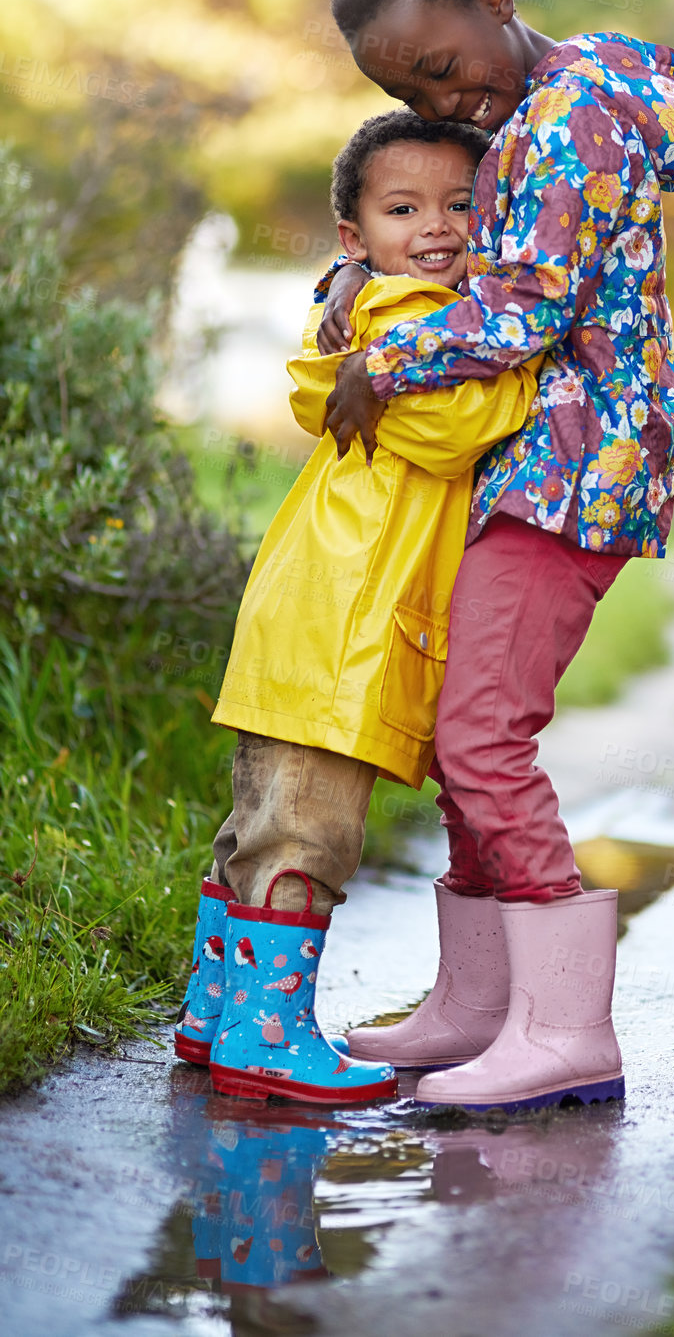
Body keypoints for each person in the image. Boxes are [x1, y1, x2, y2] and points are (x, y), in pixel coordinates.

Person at [318, 0, 674, 1112]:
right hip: (536, 461)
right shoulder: (545, 101)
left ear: (494, 0)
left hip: (573, 467)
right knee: (458, 736)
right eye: (408, 93)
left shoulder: (567, 118)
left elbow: (521, 307)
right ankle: (481, 1007)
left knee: (480, 738)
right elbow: (441, 238)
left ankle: (566, 1028)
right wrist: (352, 272)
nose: (444, 106)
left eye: (443, 71)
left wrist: (380, 366)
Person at [175, 111, 539, 1105]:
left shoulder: (370, 307)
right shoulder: (409, 319)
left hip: (309, 618)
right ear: (355, 237)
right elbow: (450, 427)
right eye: (403, 207)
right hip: (343, 630)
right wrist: (524, 376)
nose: (439, 226)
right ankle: (268, 1040)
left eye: (462, 204)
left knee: (258, 826)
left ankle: (218, 1018)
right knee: (309, 838)